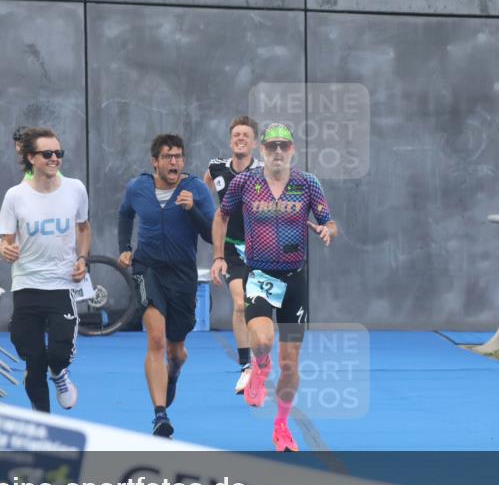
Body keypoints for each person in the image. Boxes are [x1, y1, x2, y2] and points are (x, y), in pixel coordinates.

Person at [210, 123, 338, 452]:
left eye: (284, 146)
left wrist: (328, 231)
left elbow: (329, 221)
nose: (278, 151)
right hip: (261, 276)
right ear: (263, 151)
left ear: (292, 150)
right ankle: (259, 365)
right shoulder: (245, 183)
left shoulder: (307, 184)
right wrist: (219, 255)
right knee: (264, 340)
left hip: (295, 279)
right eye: (272, 146)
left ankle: (281, 425)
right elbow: (221, 216)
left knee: (291, 364)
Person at [118, 134, 215, 438]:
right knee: (156, 340)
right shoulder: (138, 187)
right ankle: (160, 415)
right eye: (168, 156)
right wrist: (125, 246)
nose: (174, 162)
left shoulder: (195, 189)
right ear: (155, 162)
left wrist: (192, 210)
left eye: (179, 156)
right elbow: (124, 214)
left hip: (182, 274)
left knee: (175, 350)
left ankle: (174, 369)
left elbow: (212, 235)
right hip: (147, 269)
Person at [0, 127, 90, 413]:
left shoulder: (75, 189)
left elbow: (84, 228)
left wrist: (83, 258)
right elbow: (6, 240)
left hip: (61, 284)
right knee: (34, 360)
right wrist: (6, 249)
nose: (55, 159)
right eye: (47, 154)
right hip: (27, 285)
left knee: (59, 354)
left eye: (58, 153)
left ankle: (60, 374)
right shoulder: (15, 196)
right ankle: (43, 421)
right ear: (31, 158)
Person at [204, 116, 264, 394]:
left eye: (246, 135)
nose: (240, 138)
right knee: (240, 305)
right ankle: (246, 366)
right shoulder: (216, 169)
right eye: (236, 134)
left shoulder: (263, 171)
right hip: (232, 249)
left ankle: (261, 360)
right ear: (231, 140)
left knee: (260, 309)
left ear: (254, 142)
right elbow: (205, 198)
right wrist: (217, 251)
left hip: (262, 249)